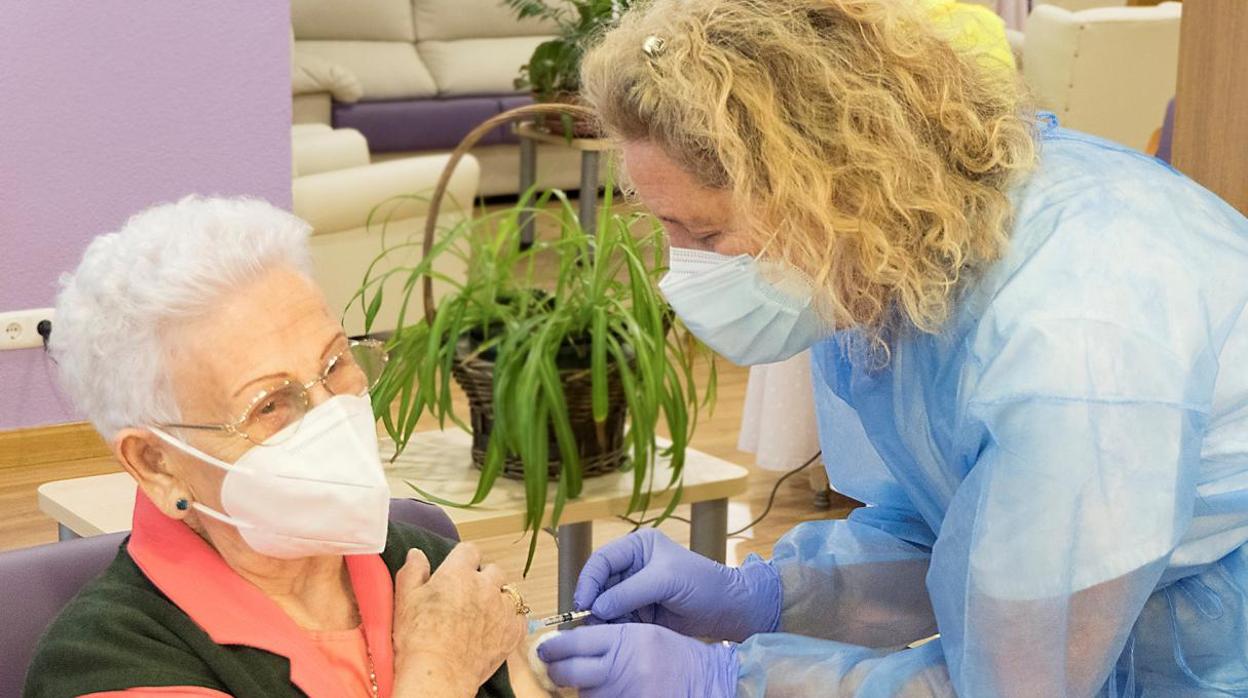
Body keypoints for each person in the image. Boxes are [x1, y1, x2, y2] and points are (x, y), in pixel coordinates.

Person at [535, 0, 1248, 696]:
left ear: (826, 186)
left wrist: (734, 679)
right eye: (668, 227)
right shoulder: (884, 262)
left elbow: (1015, 684)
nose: (680, 268)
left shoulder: (1070, 348)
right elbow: (948, 537)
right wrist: (762, 595)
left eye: (709, 235)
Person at [25, 196, 548, 698]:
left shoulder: (426, 567)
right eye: (270, 404)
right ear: (158, 464)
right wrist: (440, 671)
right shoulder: (108, 666)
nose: (331, 413)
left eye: (336, 364)